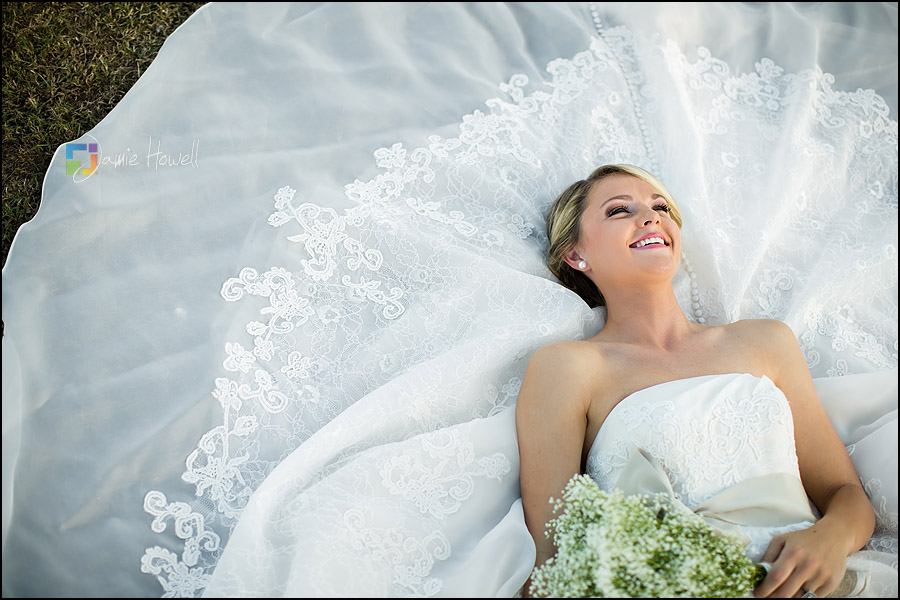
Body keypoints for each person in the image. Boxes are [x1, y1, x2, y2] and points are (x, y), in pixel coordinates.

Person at [516, 164, 877, 598]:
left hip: (809, 581)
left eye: (660, 206)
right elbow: (555, 555)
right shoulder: (568, 367)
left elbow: (845, 493)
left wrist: (830, 539)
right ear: (576, 256)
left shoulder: (766, 341)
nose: (650, 217)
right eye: (618, 211)